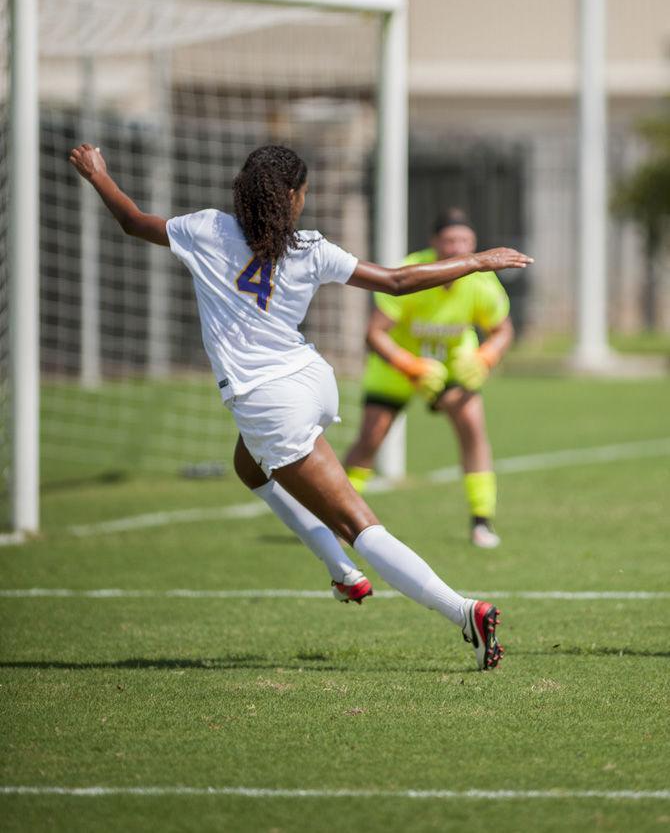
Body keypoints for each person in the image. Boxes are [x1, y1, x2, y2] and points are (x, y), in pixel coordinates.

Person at [68, 142, 533, 670]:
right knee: (249, 467)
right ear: (293, 198)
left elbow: (132, 221)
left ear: (245, 188)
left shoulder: (205, 229)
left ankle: (462, 610)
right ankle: (342, 571)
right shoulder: (311, 247)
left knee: (361, 526)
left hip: (268, 400)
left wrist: (98, 174)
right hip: (312, 381)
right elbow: (397, 282)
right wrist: (478, 260)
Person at [345, 208, 514, 548]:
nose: (458, 247)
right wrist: (408, 365)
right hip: (397, 364)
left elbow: (502, 330)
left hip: (452, 366)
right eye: (451, 240)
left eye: (466, 240)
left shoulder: (481, 281)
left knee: (472, 424)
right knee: (370, 438)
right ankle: (339, 517)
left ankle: (482, 520)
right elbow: (375, 334)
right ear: (434, 242)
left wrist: (486, 356)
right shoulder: (414, 272)